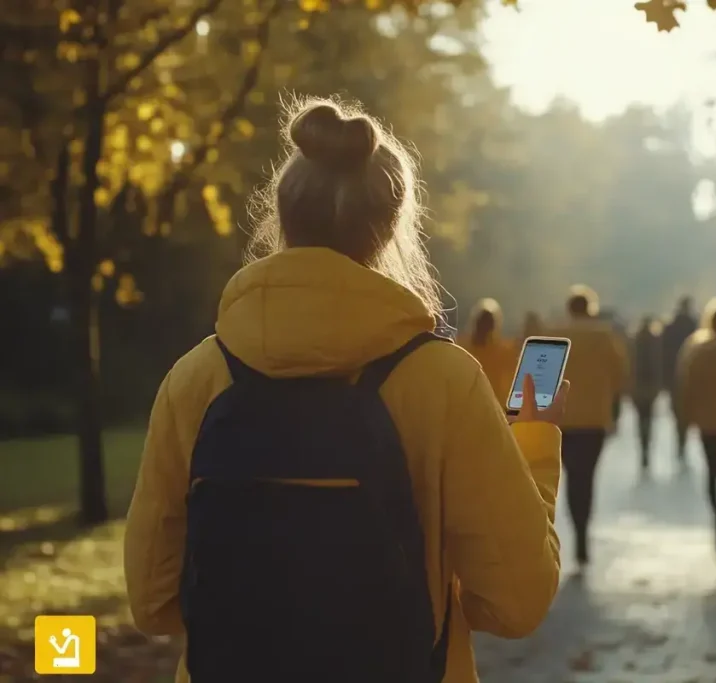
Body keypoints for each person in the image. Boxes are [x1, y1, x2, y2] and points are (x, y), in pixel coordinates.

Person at [123, 98, 568, 683]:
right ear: (390, 228)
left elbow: (154, 605)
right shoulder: (442, 382)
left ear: (283, 218)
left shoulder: (196, 379)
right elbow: (516, 601)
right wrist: (533, 445)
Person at [545, 285, 629, 571]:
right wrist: (615, 409)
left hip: (563, 419)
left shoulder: (555, 334)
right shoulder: (605, 336)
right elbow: (620, 375)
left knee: (570, 475)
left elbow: (543, 378)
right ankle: (583, 531)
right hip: (595, 419)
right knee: (587, 476)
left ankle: (574, 525)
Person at [676, 298, 716, 560]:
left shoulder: (697, 350)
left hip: (707, 421)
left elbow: (686, 385)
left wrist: (686, 416)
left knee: (712, 471)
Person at [457, 298, 518, 403]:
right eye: (483, 323)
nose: (484, 328)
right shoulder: (461, 348)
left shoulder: (504, 352)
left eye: (487, 324)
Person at [662, 296, 697, 460]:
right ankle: (683, 438)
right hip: (690, 374)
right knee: (687, 407)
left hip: (672, 374)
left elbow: (662, 351)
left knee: (677, 409)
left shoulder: (670, 327)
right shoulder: (694, 326)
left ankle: (680, 439)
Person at [631, 315, 663, 472]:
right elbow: (658, 364)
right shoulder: (655, 341)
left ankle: (643, 446)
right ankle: (646, 447)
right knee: (648, 419)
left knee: (640, 419)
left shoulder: (634, 342)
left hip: (637, 388)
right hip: (650, 388)